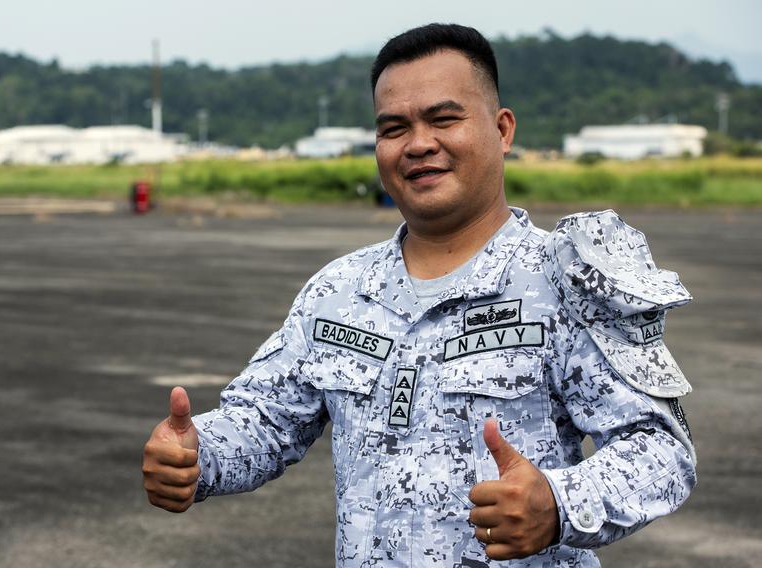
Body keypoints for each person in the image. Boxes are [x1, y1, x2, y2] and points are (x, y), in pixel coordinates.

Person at [142, 23, 696, 567]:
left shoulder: (564, 281)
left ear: (502, 130)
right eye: (393, 128)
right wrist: (197, 455)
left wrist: (558, 504)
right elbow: (264, 422)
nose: (419, 144)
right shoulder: (338, 291)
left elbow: (660, 450)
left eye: (444, 119)